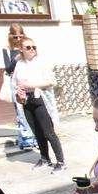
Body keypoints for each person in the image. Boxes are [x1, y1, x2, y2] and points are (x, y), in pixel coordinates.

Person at [12, 37, 67, 172]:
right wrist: (19, 89)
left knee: (48, 132)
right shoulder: (20, 64)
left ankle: (61, 161)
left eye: (34, 47)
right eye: (28, 47)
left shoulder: (41, 63)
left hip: (40, 98)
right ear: (21, 49)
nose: (32, 49)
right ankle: (44, 158)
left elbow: (51, 81)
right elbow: (15, 81)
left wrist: (30, 85)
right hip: (26, 100)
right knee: (37, 132)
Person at [3, 23, 36, 149]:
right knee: (21, 110)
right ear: (10, 36)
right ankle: (27, 138)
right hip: (16, 84)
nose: (18, 39)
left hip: (30, 81)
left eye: (20, 36)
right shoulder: (7, 50)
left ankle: (35, 137)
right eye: (15, 37)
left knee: (32, 108)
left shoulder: (28, 46)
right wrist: (16, 59)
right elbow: (7, 69)